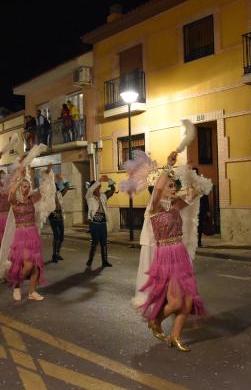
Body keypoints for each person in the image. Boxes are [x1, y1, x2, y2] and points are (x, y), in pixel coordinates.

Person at [123, 150, 209, 352]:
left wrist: (190, 174)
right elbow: (159, 187)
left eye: (174, 186)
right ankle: (156, 320)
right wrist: (169, 166)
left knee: (188, 300)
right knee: (176, 300)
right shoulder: (154, 209)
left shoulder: (174, 206)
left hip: (180, 254)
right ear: (160, 190)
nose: (173, 188)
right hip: (165, 257)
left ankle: (175, 336)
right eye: (170, 186)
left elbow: (196, 192)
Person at [5, 163, 55, 301]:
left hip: (32, 233)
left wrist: (48, 173)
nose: (26, 189)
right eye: (24, 187)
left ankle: (32, 292)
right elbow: (11, 192)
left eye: (28, 187)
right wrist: (20, 177)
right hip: (21, 235)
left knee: (36, 265)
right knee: (27, 264)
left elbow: (44, 190)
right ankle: (16, 284)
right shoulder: (14, 201)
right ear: (20, 188)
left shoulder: (32, 199)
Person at [85, 176, 116, 268]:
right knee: (95, 241)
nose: (99, 188)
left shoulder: (103, 196)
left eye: (99, 187)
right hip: (94, 223)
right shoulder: (89, 197)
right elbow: (90, 190)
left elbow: (112, 190)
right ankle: (90, 260)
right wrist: (98, 181)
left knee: (104, 242)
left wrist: (109, 180)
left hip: (102, 222)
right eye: (97, 187)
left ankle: (105, 261)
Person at [48, 174, 70, 263]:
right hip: (53, 216)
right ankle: (54, 255)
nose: (55, 188)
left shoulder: (59, 194)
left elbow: (67, 186)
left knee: (61, 237)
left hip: (60, 216)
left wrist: (63, 178)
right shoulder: (48, 196)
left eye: (56, 186)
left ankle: (57, 253)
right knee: (56, 235)